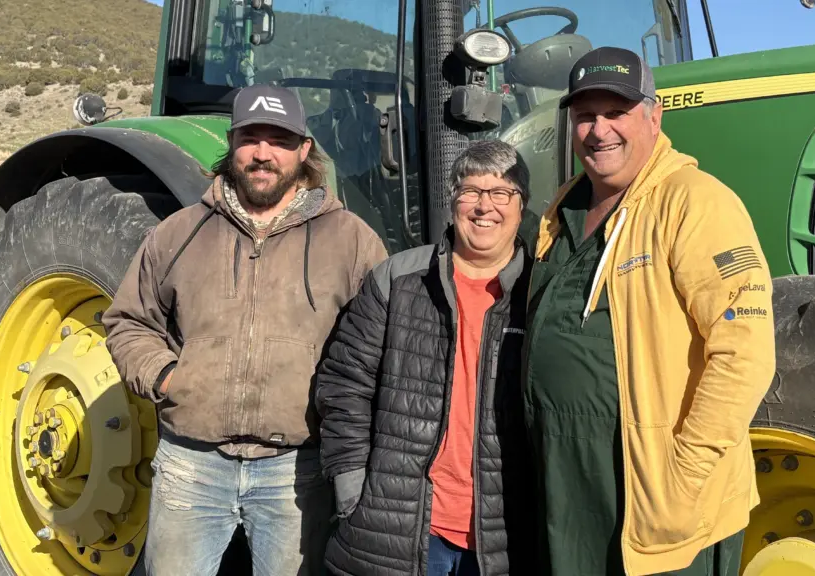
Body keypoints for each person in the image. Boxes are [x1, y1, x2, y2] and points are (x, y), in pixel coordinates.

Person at [102, 84, 389, 576]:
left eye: (278, 140)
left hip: (296, 471)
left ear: (303, 150)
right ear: (232, 145)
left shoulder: (352, 240)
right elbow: (128, 321)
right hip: (191, 463)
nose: (262, 153)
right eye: (250, 138)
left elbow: (380, 343)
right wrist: (170, 377)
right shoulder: (179, 231)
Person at [522, 47, 777, 576]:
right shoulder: (563, 205)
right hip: (568, 487)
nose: (598, 130)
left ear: (654, 115)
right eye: (585, 116)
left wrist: (683, 476)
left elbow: (745, 353)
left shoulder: (694, 202)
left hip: (653, 495)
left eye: (615, 113)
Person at [314, 139, 534, 576]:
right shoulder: (398, 280)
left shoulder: (542, 292)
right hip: (398, 526)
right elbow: (344, 383)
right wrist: (350, 483)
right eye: (470, 191)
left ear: (521, 205)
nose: (483, 206)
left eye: (500, 193)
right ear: (453, 201)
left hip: (505, 534)